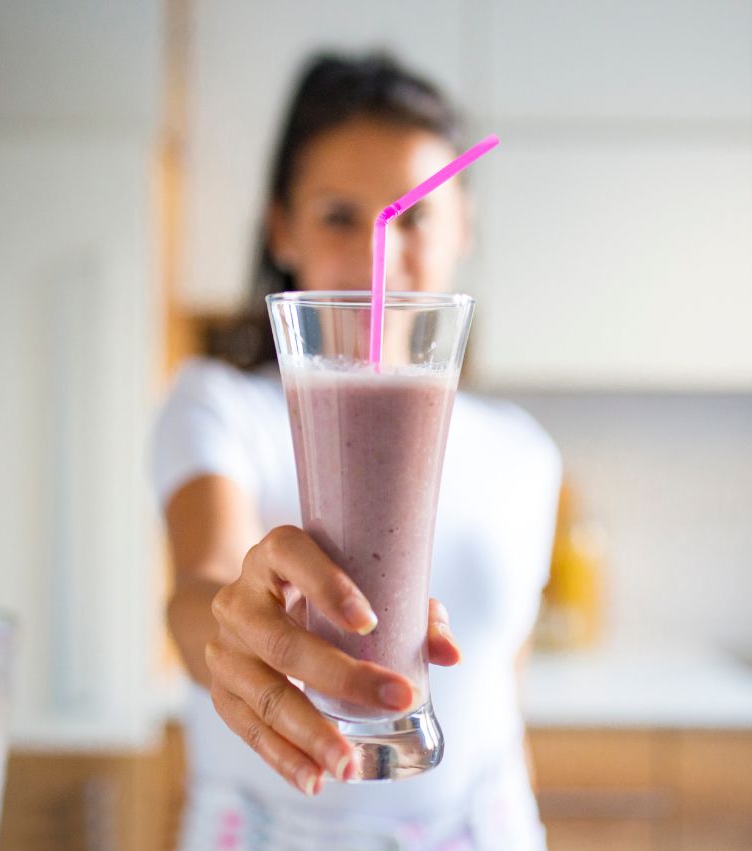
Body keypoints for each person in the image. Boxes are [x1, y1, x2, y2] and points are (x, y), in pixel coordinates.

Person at [153, 51, 562, 851]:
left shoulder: (525, 453)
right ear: (282, 228)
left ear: (462, 228)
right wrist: (234, 631)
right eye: (342, 215)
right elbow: (197, 590)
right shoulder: (217, 407)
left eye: (415, 215)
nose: (387, 253)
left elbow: (497, 694)